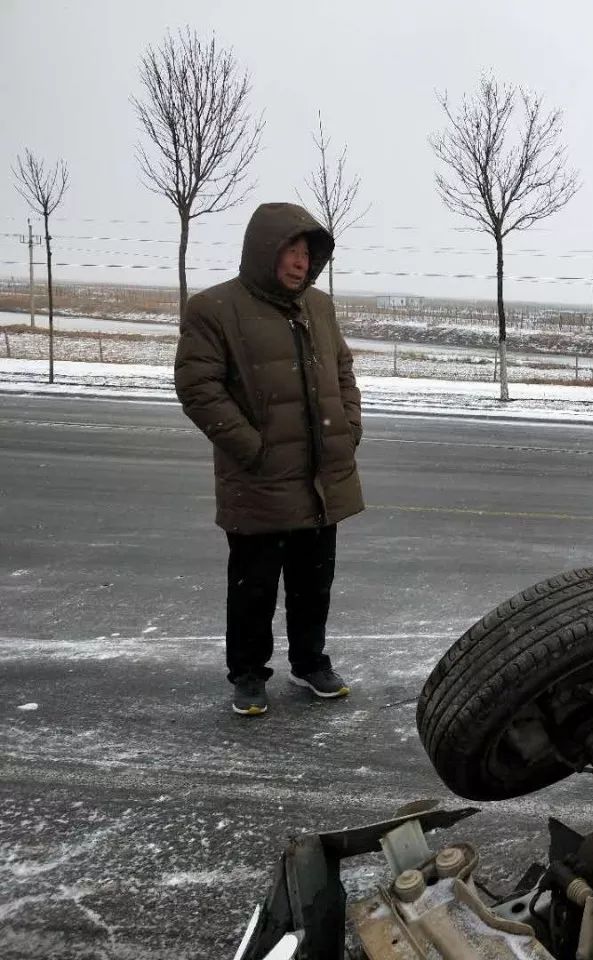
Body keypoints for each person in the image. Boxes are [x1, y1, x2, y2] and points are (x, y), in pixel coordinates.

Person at [175, 202, 365, 716]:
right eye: (291, 250)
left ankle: (310, 663)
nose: (300, 262)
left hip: (318, 479)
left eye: (307, 253)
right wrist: (251, 448)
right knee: (253, 588)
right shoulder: (215, 309)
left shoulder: (319, 307)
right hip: (257, 481)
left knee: (313, 582)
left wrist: (348, 427)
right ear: (265, 251)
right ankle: (248, 674)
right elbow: (197, 387)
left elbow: (343, 370)